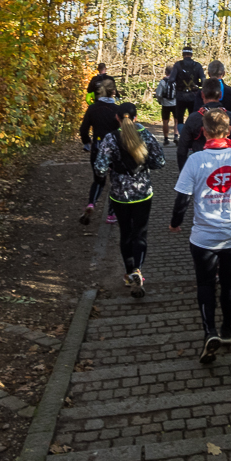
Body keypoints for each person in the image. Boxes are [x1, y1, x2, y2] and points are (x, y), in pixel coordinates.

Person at [170, 108, 231, 364]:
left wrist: (175, 223)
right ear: (228, 131)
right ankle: (227, 329)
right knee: (230, 282)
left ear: (203, 132)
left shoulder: (194, 161)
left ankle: (209, 332)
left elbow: (182, 198)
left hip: (203, 237)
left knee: (205, 284)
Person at [94, 102, 166, 297]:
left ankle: (128, 273)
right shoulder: (145, 134)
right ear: (135, 118)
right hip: (143, 193)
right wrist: (144, 163)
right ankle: (138, 271)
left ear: (117, 118)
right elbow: (160, 161)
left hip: (120, 195)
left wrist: (111, 169)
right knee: (140, 234)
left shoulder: (110, 138)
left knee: (125, 234)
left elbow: (100, 167)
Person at [176, 78, 231, 171]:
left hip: (200, 167)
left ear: (202, 94)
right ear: (220, 95)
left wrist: (183, 172)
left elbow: (182, 149)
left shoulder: (194, 118)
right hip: (225, 168)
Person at [79, 78, 120, 224]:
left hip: (97, 148)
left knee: (98, 180)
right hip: (114, 150)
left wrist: (86, 142)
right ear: (113, 92)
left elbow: (83, 129)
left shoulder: (93, 108)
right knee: (115, 181)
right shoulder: (117, 110)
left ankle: (92, 203)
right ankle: (111, 214)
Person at [192, 60, 231, 124]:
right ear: (224, 73)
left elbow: (196, 114)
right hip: (227, 129)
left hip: (206, 130)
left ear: (208, 74)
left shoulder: (201, 92)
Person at [167, 45, 205, 131]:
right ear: (191, 55)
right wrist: (197, 84)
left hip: (180, 96)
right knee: (193, 117)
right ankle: (192, 136)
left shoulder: (178, 65)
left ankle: (183, 136)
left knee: (179, 118)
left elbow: (171, 80)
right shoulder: (197, 65)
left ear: (183, 54)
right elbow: (203, 81)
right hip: (194, 96)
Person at [154, 65, 179, 145]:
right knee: (176, 120)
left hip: (165, 104)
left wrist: (160, 101)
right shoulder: (176, 81)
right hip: (175, 103)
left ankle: (166, 138)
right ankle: (176, 136)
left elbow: (158, 94)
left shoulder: (163, 82)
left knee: (165, 122)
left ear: (166, 72)